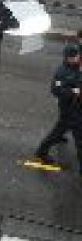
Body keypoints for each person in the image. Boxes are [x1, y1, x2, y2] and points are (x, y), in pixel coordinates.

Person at [34, 44, 82, 172]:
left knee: (59, 131)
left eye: (76, 55)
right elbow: (56, 90)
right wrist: (74, 92)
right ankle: (41, 152)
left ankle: (42, 151)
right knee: (78, 139)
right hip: (70, 110)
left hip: (78, 107)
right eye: (72, 57)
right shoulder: (62, 73)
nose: (75, 58)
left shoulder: (78, 66)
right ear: (66, 58)